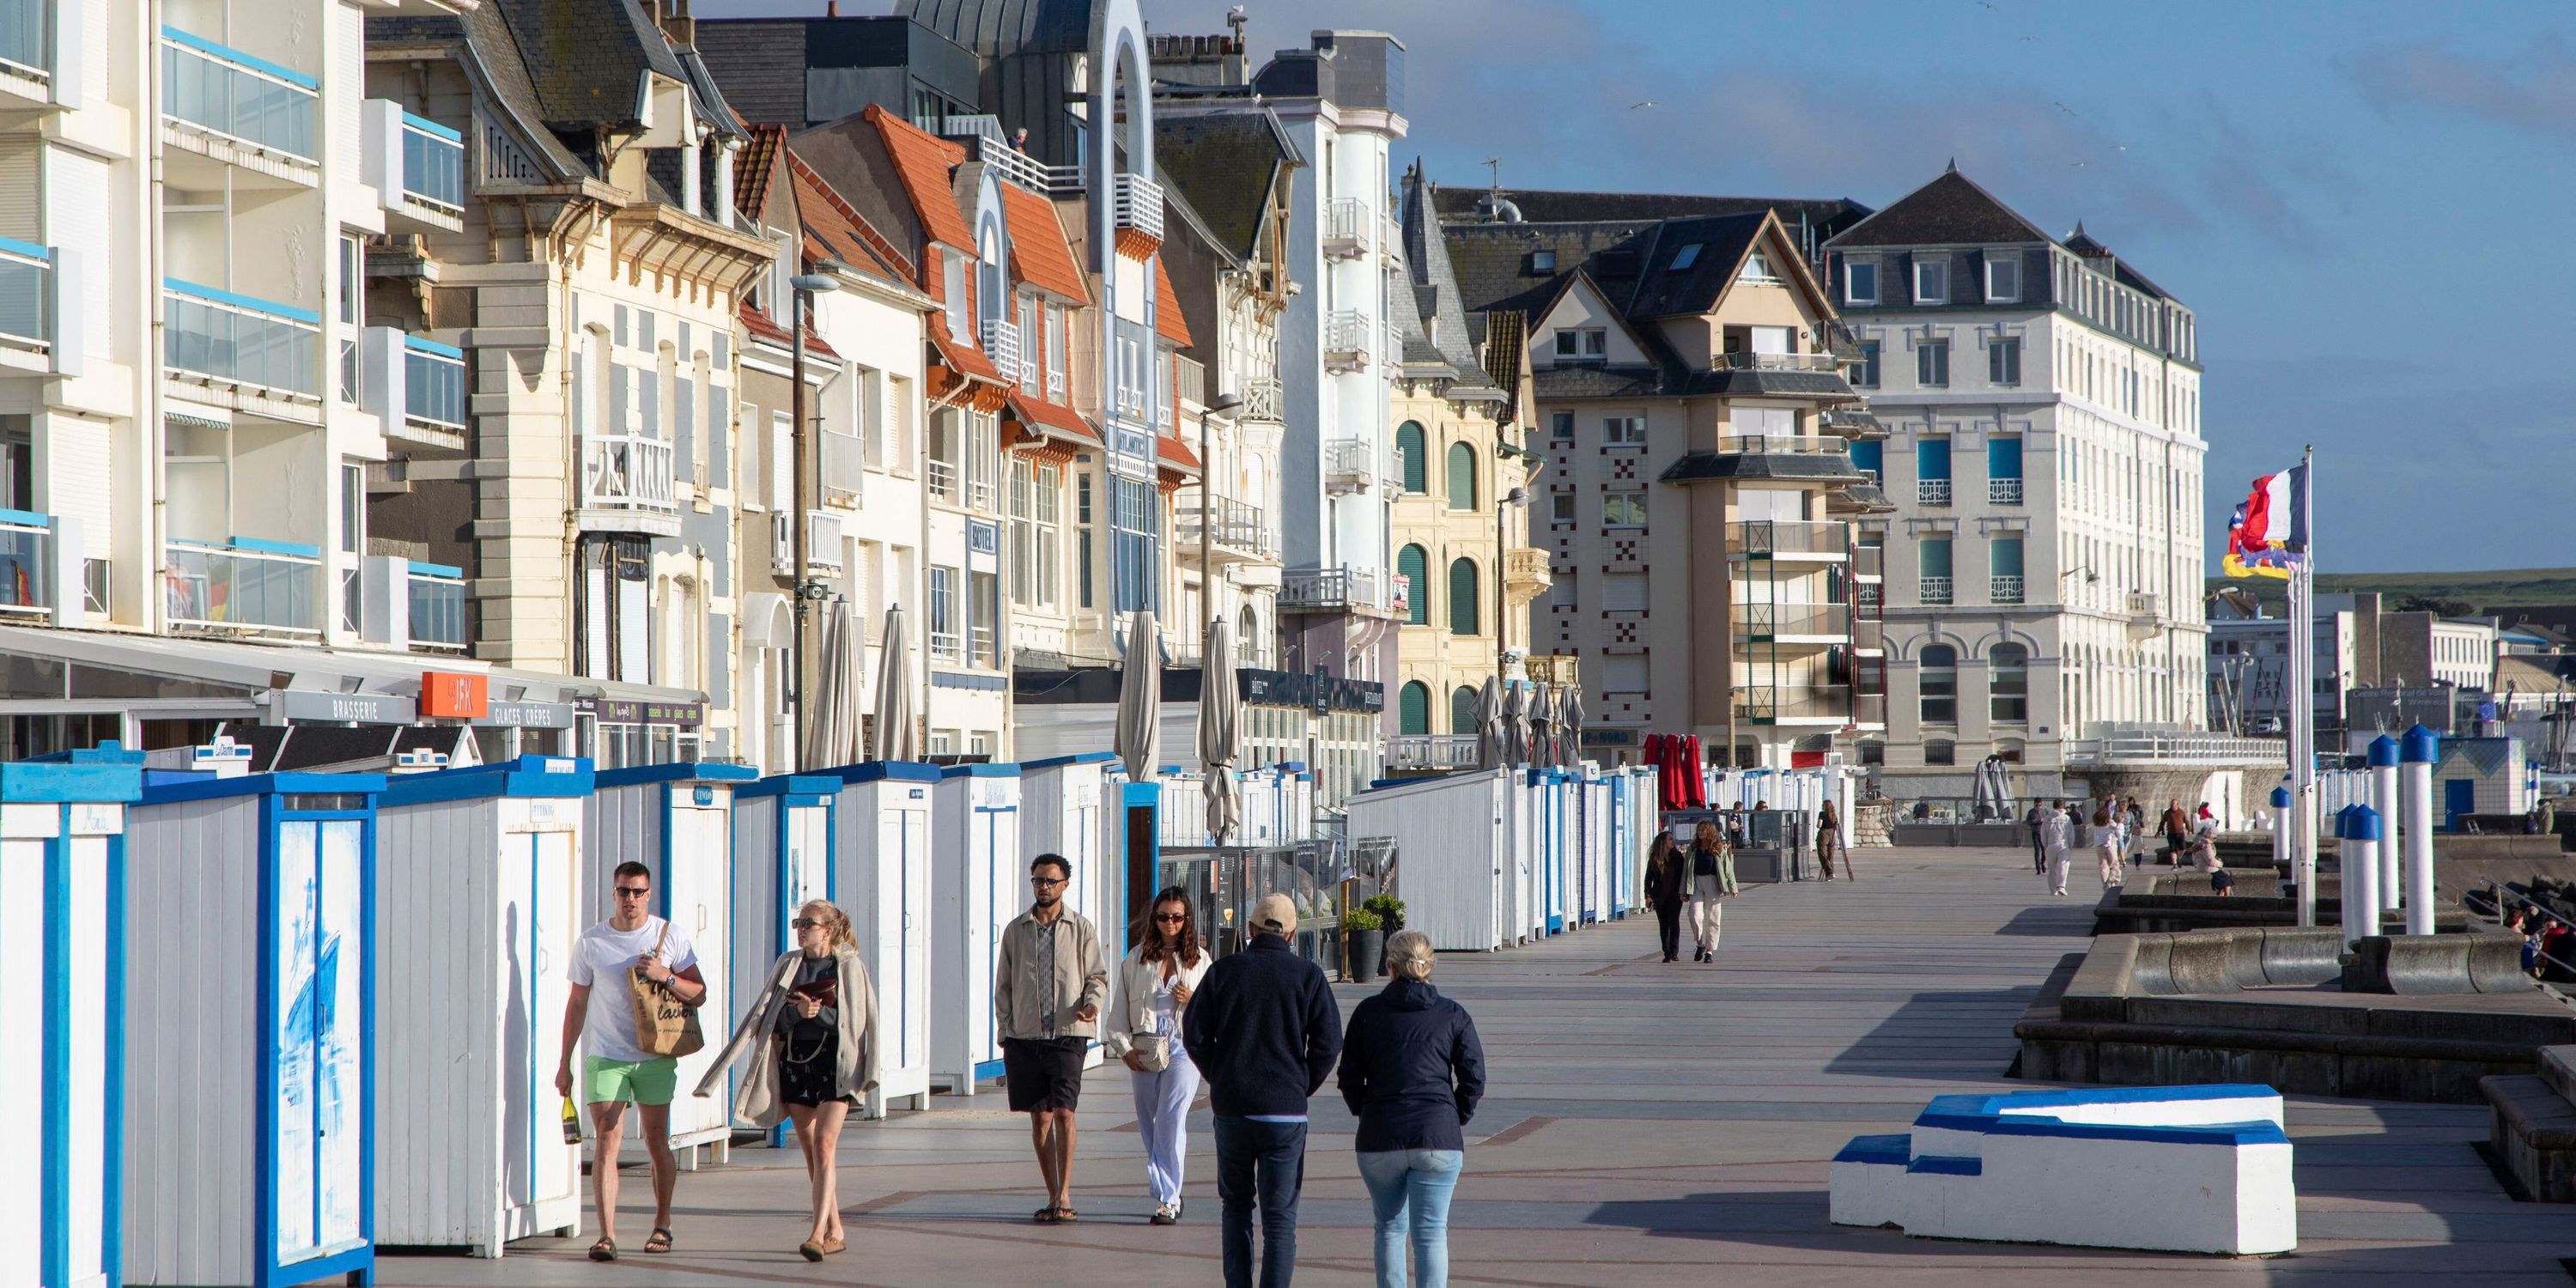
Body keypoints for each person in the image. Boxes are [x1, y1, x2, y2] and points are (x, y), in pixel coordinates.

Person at [696, 900, 878, 1260]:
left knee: (825, 1146)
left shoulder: (848, 967)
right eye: (798, 922)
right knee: (812, 1153)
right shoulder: (788, 964)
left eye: (808, 923)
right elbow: (769, 1021)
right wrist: (796, 1013)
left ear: (827, 929)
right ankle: (836, 1228)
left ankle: (816, 1234)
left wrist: (821, 1014)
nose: (801, 928)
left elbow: (855, 1023)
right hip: (796, 1063)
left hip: (834, 1066)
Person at [1183, 892, 1342, 1288]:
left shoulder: (1223, 971)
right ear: (1291, 935)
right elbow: (1328, 1044)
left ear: (1249, 930)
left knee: (1236, 1208)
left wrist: (1218, 1075)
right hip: (1285, 1113)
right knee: (1280, 1219)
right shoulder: (1308, 976)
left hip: (1233, 1108)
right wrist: (1301, 1084)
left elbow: (1195, 1034)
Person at [556, 861, 708, 1261]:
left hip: (654, 1055)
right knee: (607, 1137)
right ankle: (606, 1235)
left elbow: (699, 992)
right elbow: (576, 1003)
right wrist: (564, 1062)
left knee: (657, 1139)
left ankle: (663, 1222)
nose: (631, 900)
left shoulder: (668, 935)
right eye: (624, 891)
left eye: (638, 892)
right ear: (613, 893)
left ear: (649, 894)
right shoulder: (592, 942)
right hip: (606, 1056)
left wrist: (665, 975)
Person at [1338, 931, 1487, 1288]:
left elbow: (1348, 1076)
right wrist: (1455, 1115)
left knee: (1389, 1227)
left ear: (1390, 968)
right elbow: (1474, 1077)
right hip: (1437, 1135)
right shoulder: (1453, 1014)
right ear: (1430, 966)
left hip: (1380, 1136)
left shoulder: (1367, 1013)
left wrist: (1366, 1110)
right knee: (1432, 1233)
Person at [993, 853, 1109, 1224]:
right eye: (1038, 880)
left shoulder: (1081, 928)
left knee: (1064, 1113)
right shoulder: (1016, 930)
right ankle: (1050, 1195)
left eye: (1050, 881)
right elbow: (1004, 987)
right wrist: (1005, 1029)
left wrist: (1091, 1005)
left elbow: (1097, 976)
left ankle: (1065, 1195)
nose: (1043, 887)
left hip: (1068, 1035)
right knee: (1040, 1118)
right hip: (1025, 1037)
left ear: (1065, 885)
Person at [1105, 886, 1213, 1224]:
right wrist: (1123, 1050)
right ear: (1155, 919)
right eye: (1164, 917)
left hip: (1184, 1045)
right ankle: (1169, 1188)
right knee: (1150, 1122)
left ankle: (1167, 1198)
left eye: (1177, 917)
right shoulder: (1136, 959)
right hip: (1146, 1045)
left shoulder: (1200, 959)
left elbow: (1218, 1010)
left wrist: (1192, 997)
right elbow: (1119, 1011)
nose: (1170, 923)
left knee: (1171, 1118)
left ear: (1187, 920)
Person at [1685, 821, 1731, 963]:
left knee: (1713, 917)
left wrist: (1732, 887)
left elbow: (1727, 868)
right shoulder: (1693, 848)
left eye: (1703, 831)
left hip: (1713, 883)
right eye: (1699, 831)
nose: (1700, 833)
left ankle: (1710, 951)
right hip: (1696, 882)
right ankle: (1700, 944)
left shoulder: (1718, 848)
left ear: (1710, 832)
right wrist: (1683, 890)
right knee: (1694, 915)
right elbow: (1685, 871)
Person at [1643, 833, 1688, 962]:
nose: (1672, 841)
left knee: (1674, 922)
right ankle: (1666, 951)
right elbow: (1648, 878)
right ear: (1663, 842)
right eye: (1669, 839)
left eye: (1673, 839)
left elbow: (1683, 876)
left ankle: (1674, 951)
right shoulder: (1655, 857)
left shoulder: (1677, 857)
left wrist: (1684, 891)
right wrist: (1648, 895)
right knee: (1664, 924)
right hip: (1659, 896)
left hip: (1675, 895)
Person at [2039, 799, 2071, 896]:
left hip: (2051, 845)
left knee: (2052, 868)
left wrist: (2045, 845)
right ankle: (2061, 886)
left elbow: (2043, 833)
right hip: (2063, 844)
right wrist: (2070, 845)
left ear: (2053, 806)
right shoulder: (2066, 818)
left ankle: (2053, 890)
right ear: (2063, 806)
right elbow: (2071, 833)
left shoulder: (2048, 818)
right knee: (2063, 865)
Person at [2093, 805, 2125, 893]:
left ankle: (2105, 883)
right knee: (2114, 864)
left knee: (2103, 866)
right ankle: (2112, 880)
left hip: (2100, 846)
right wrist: (2118, 824)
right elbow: (2119, 834)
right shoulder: (2110, 823)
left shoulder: (2096, 824)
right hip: (2111, 846)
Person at [1816, 799, 1847, 881]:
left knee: (1822, 853)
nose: (1822, 806)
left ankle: (1829, 872)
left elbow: (1819, 825)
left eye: (1823, 805)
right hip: (1833, 835)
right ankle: (1829, 875)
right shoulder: (1834, 815)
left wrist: (1818, 825)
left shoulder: (1822, 814)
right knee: (1831, 855)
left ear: (1825, 806)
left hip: (1824, 833)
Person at [2160, 799, 2190, 866]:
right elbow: (2162, 822)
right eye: (2171, 804)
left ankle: (2178, 858)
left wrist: (2189, 830)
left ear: (2177, 805)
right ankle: (2175, 864)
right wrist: (2159, 831)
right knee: (2172, 850)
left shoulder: (2181, 812)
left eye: (2173, 804)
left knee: (2183, 849)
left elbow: (2186, 821)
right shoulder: (2167, 812)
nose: (2172, 805)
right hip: (2171, 834)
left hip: (2180, 833)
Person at [2025, 801, 2047, 875]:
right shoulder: (2031, 812)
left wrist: (2044, 820)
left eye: (2040, 805)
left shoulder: (2044, 811)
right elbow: (2028, 821)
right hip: (2035, 832)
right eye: (2037, 805)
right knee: (2037, 850)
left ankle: (2042, 863)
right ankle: (2038, 869)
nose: (2038, 807)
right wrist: (2035, 821)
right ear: (2034, 804)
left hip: (2043, 833)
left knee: (2044, 850)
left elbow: (2049, 819)